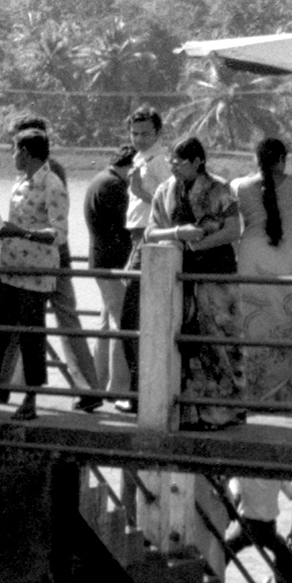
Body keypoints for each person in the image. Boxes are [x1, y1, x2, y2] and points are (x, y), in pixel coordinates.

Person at [0, 128, 86, 419]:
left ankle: (31, 399)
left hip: (36, 275)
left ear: (25, 152)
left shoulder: (52, 185)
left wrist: (21, 232)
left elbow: (59, 233)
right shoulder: (19, 183)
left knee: (30, 336)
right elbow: (15, 221)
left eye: (14, 150)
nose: (12, 156)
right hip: (10, 270)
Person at [149, 136, 246, 430]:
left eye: (179, 162)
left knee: (220, 341)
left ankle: (226, 411)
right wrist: (179, 233)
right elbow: (150, 233)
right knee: (188, 343)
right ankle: (192, 412)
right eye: (171, 162)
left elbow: (233, 229)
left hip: (216, 276)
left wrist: (199, 244)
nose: (174, 167)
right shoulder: (165, 190)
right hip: (180, 277)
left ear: (197, 162)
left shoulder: (220, 188)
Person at [8, 114, 97, 404]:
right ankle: (87, 388)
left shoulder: (49, 173)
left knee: (35, 321)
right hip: (47, 255)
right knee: (62, 320)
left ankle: (0, 387)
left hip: (47, 257)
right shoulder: (40, 171)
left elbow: (48, 220)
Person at [233, 138, 292, 406]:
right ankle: (290, 398)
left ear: (255, 159)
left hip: (251, 264)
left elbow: (229, 226)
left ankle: (253, 397)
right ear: (282, 159)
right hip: (289, 266)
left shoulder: (238, 186)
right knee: (289, 332)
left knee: (253, 332)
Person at [115, 105, 173, 407]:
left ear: (158, 133)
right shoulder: (141, 159)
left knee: (132, 320)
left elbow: (170, 208)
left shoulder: (160, 162)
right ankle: (141, 391)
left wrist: (139, 190)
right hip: (139, 239)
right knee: (136, 319)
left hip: (152, 241)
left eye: (146, 133)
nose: (139, 138)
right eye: (135, 133)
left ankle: (141, 393)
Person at [86, 146, 138, 401]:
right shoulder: (115, 186)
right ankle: (118, 388)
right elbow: (128, 223)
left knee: (107, 325)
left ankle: (99, 382)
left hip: (101, 262)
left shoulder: (101, 179)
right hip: (112, 265)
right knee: (122, 324)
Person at [225, 477, 292, 583]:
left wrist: (228, 519)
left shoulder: (242, 473)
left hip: (247, 529)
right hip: (268, 531)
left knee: (223, 552)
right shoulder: (277, 474)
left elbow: (237, 498)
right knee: (285, 555)